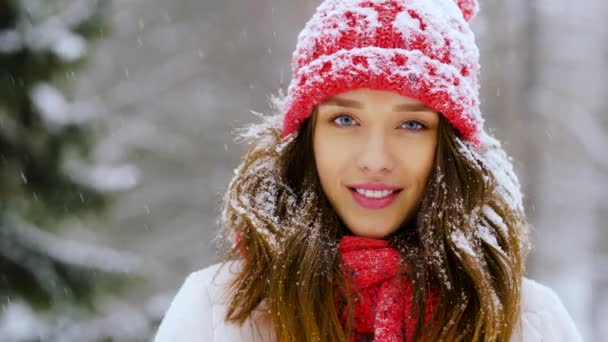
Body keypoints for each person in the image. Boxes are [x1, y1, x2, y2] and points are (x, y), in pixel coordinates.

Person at [155, 0, 582, 341]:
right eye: (345, 120)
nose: (375, 159)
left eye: (412, 124)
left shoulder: (529, 321)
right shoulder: (219, 314)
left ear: (449, 148)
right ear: (309, 135)